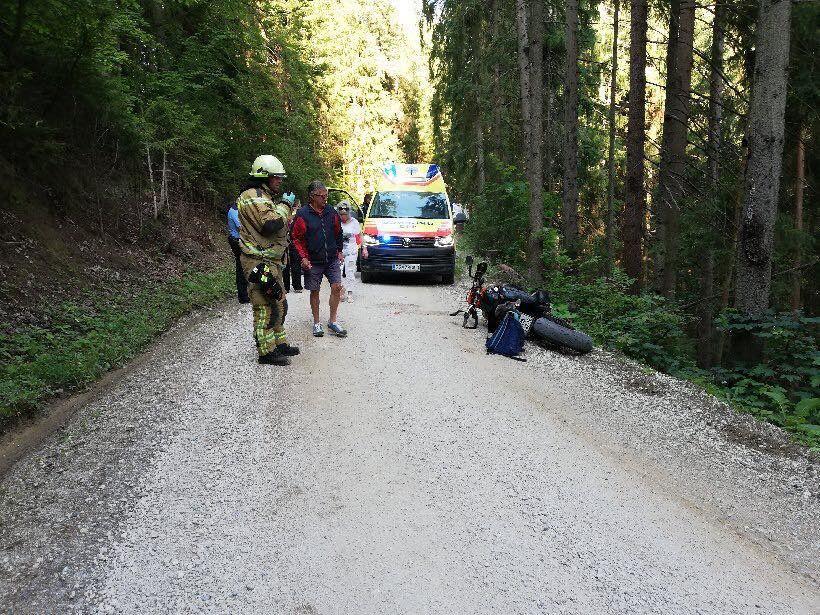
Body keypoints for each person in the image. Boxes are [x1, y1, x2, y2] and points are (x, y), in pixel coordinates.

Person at [237, 154, 300, 365]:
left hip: (271, 262)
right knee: (265, 306)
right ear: (264, 176)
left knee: (279, 302)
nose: (280, 181)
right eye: (277, 177)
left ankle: (279, 344)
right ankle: (266, 352)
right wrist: (284, 205)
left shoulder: (263, 196)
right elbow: (271, 224)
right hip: (257, 262)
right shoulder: (252, 196)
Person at [291, 180, 347, 338]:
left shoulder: (331, 211)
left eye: (326, 195)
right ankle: (317, 323)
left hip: (331, 258)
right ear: (312, 196)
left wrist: (340, 250)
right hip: (313, 260)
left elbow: (338, 232)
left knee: (336, 287)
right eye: (321, 196)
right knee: (315, 291)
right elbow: (296, 238)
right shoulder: (303, 214)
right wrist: (303, 257)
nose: (325, 199)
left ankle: (333, 321)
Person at [337, 201, 366, 302]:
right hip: (339, 252)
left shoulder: (354, 222)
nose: (343, 217)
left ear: (348, 213)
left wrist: (364, 248)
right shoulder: (336, 222)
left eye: (344, 214)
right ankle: (341, 290)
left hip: (351, 251)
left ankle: (350, 293)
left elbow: (360, 235)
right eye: (341, 215)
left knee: (350, 272)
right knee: (338, 273)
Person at [226, 201, 249, 303]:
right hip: (237, 241)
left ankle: (246, 293)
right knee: (241, 268)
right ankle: (243, 296)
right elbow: (241, 227)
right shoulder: (234, 211)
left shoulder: (237, 210)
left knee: (245, 267)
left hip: (240, 241)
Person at [280, 193, 303, 294]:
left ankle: (295, 286)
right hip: (286, 240)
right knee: (287, 263)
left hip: (292, 240)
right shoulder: (284, 212)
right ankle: (287, 286)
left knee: (294, 263)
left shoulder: (296, 214)